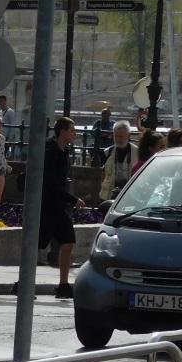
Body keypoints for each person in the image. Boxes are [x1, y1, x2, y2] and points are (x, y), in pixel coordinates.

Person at [42, 117, 88, 299]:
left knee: (68, 242)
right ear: (63, 132)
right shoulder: (49, 152)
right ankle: (23, 283)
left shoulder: (64, 151)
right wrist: (72, 199)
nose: (75, 134)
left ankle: (63, 285)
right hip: (46, 206)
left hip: (58, 207)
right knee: (35, 247)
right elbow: (51, 184)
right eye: (72, 130)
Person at [99, 120, 136, 202]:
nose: (118, 139)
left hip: (129, 195)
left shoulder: (137, 152)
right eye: (116, 136)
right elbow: (103, 173)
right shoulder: (107, 152)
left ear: (128, 136)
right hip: (109, 195)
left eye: (121, 136)